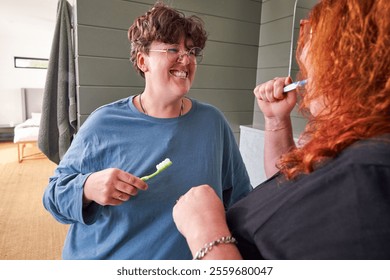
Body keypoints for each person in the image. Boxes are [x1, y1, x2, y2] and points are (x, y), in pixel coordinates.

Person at [173, 0, 390, 260]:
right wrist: (276, 120)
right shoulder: (358, 146)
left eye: (312, 69)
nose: (308, 81)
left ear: (350, 64)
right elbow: (293, 186)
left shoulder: (365, 176)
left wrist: (205, 233)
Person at [42, 2, 251, 260]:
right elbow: (53, 197)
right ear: (143, 61)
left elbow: (242, 200)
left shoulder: (213, 123)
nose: (186, 59)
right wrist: (87, 187)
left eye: (192, 51)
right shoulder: (103, 123)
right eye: (173, 48)